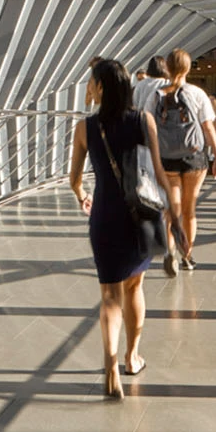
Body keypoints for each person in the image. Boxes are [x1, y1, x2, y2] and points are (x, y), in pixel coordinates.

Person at [68, 58, 172, 400]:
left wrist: (82, 196)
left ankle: (110, 365)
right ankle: (132, 356)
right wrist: (174, 214)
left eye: (91, 82)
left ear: (100, 87)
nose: (88, 87)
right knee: (135, 285)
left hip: (105, 216)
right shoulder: (143, 120)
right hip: (139, 215)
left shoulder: (85, 128)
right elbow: (158, 172)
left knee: (109, 295)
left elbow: (74, 179)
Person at [138, 49, 216, 272]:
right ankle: (187, 255)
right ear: (188, 68)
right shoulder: (197, 93)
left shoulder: (155, 95)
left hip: (166, 158)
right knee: (189, 208)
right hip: (194, 158)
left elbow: (148, 126)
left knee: (172, 209)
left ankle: (170, 251)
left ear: (167, 67)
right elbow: (208, 127)